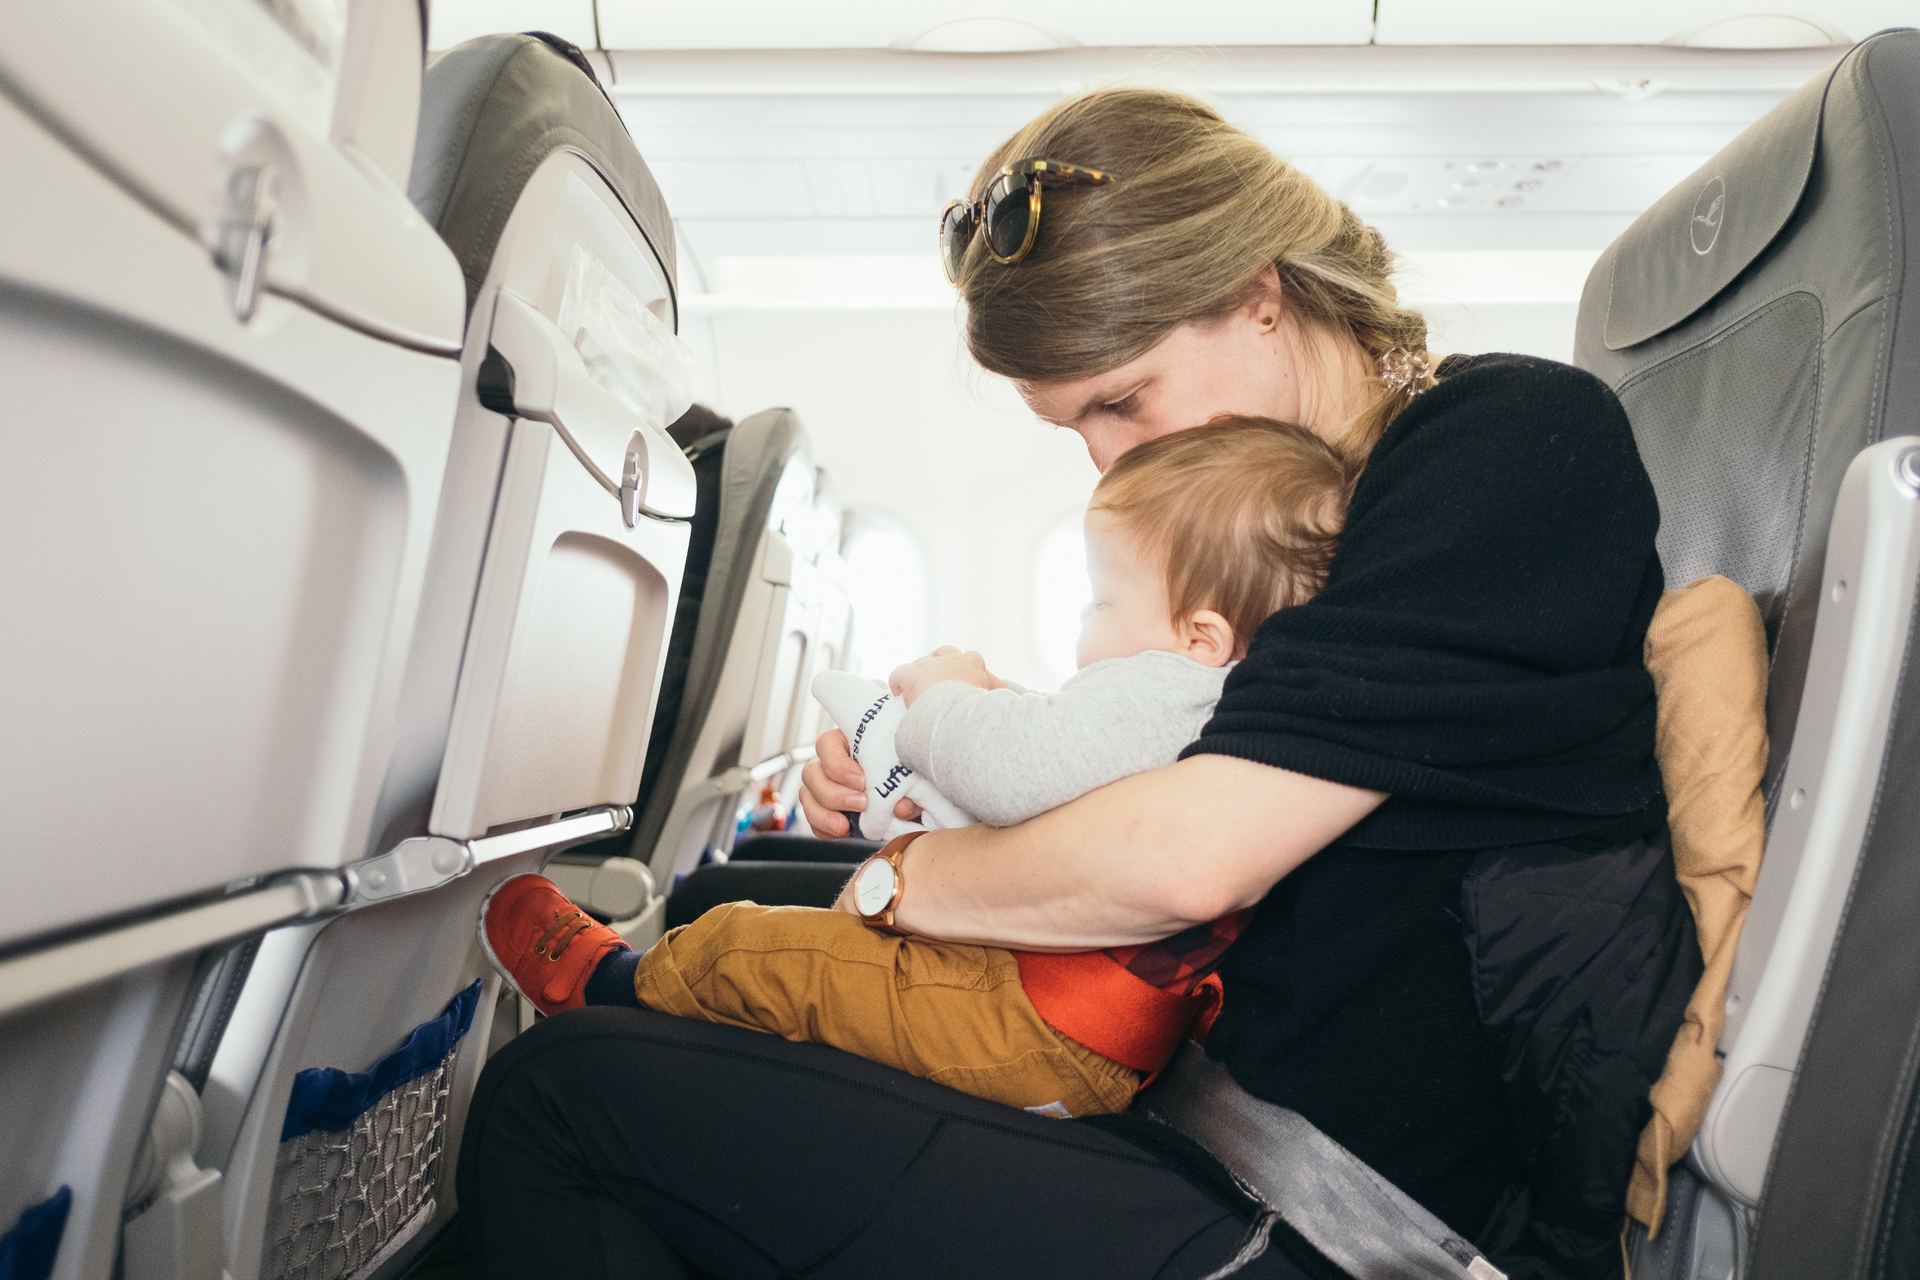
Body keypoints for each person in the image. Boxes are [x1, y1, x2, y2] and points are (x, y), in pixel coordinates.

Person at [455, 87, 1689, 1280]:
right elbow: (1177, 748)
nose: (1106, 457)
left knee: (555, 1098)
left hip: (1309, 1212)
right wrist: (926, 761)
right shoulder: (1305, 505)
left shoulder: (1507, 446)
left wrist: (908, 879)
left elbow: (1186, 858)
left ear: (1260, 296)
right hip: (1175, 1104)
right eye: (1073, 429)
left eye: (1123, 399)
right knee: (725, 917)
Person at [476, 417, 1353, 1120]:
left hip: (1032, 1021)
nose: (1088, 625)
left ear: (1201, 634)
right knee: (817, 962)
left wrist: (943, 696)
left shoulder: (1169, 686)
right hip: (1073, 1026)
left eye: (1101, 600)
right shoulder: (1221, 698)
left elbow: (1018, 770)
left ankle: (608, 989)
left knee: (754, 945)